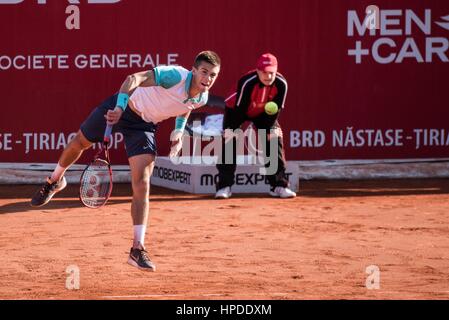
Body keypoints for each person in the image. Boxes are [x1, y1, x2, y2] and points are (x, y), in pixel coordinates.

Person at [30, 51, 221, 272]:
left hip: (144, 127)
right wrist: (120, 107)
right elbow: (133, 79)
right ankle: (55, 180)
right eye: (204, 72)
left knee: (142, 182)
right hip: (124, 107)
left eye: (213, 74)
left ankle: (137, 249)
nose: (208, 78)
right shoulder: (175, 76)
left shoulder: (202, 97)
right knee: (79, 143)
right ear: (194, 70)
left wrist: (178, 132)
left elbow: (185, 109)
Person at [215, 53, 296, 199]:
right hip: (237, 110)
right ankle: (224, 186)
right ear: (257, 71)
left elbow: (276, 110)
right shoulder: (247, 83)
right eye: (264, 72)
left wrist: (268, 131)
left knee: (273, 139)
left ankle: (278, 185)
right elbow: (240, 110)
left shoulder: (281, 84)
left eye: (271, 72)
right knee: (230, 140)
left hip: (264, 113)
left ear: (276, 71)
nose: (268, 76)